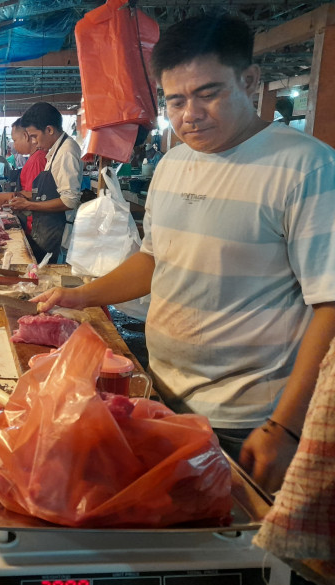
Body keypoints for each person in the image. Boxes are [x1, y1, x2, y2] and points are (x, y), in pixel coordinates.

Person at [33, 15, 335, 497]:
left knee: (232, 539)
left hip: (248, 420)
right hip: (161, 390)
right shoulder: (173, 164)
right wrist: (81, 295)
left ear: (249, 81)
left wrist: (285, 424)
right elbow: (153, 260)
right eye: (175, 100)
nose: (190, 114)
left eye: (208, 93)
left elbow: (329, 305)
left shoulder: (306, 167)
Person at [16, 102, 83, 263]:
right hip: (48, 229)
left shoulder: (66, 152)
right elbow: (50, 192)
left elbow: (69, 201)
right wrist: (25, 198)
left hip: (58, 233)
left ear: (49, 130)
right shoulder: (55, 151)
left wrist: (29, 205)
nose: (33, 142)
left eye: (34, 136)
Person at [0, 119, 48, 234]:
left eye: (15, 140)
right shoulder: (33, 158)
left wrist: (7, 196)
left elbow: (36, 195)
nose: (14, 145)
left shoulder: (37, 159)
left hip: (34, 225)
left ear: (25, 136)